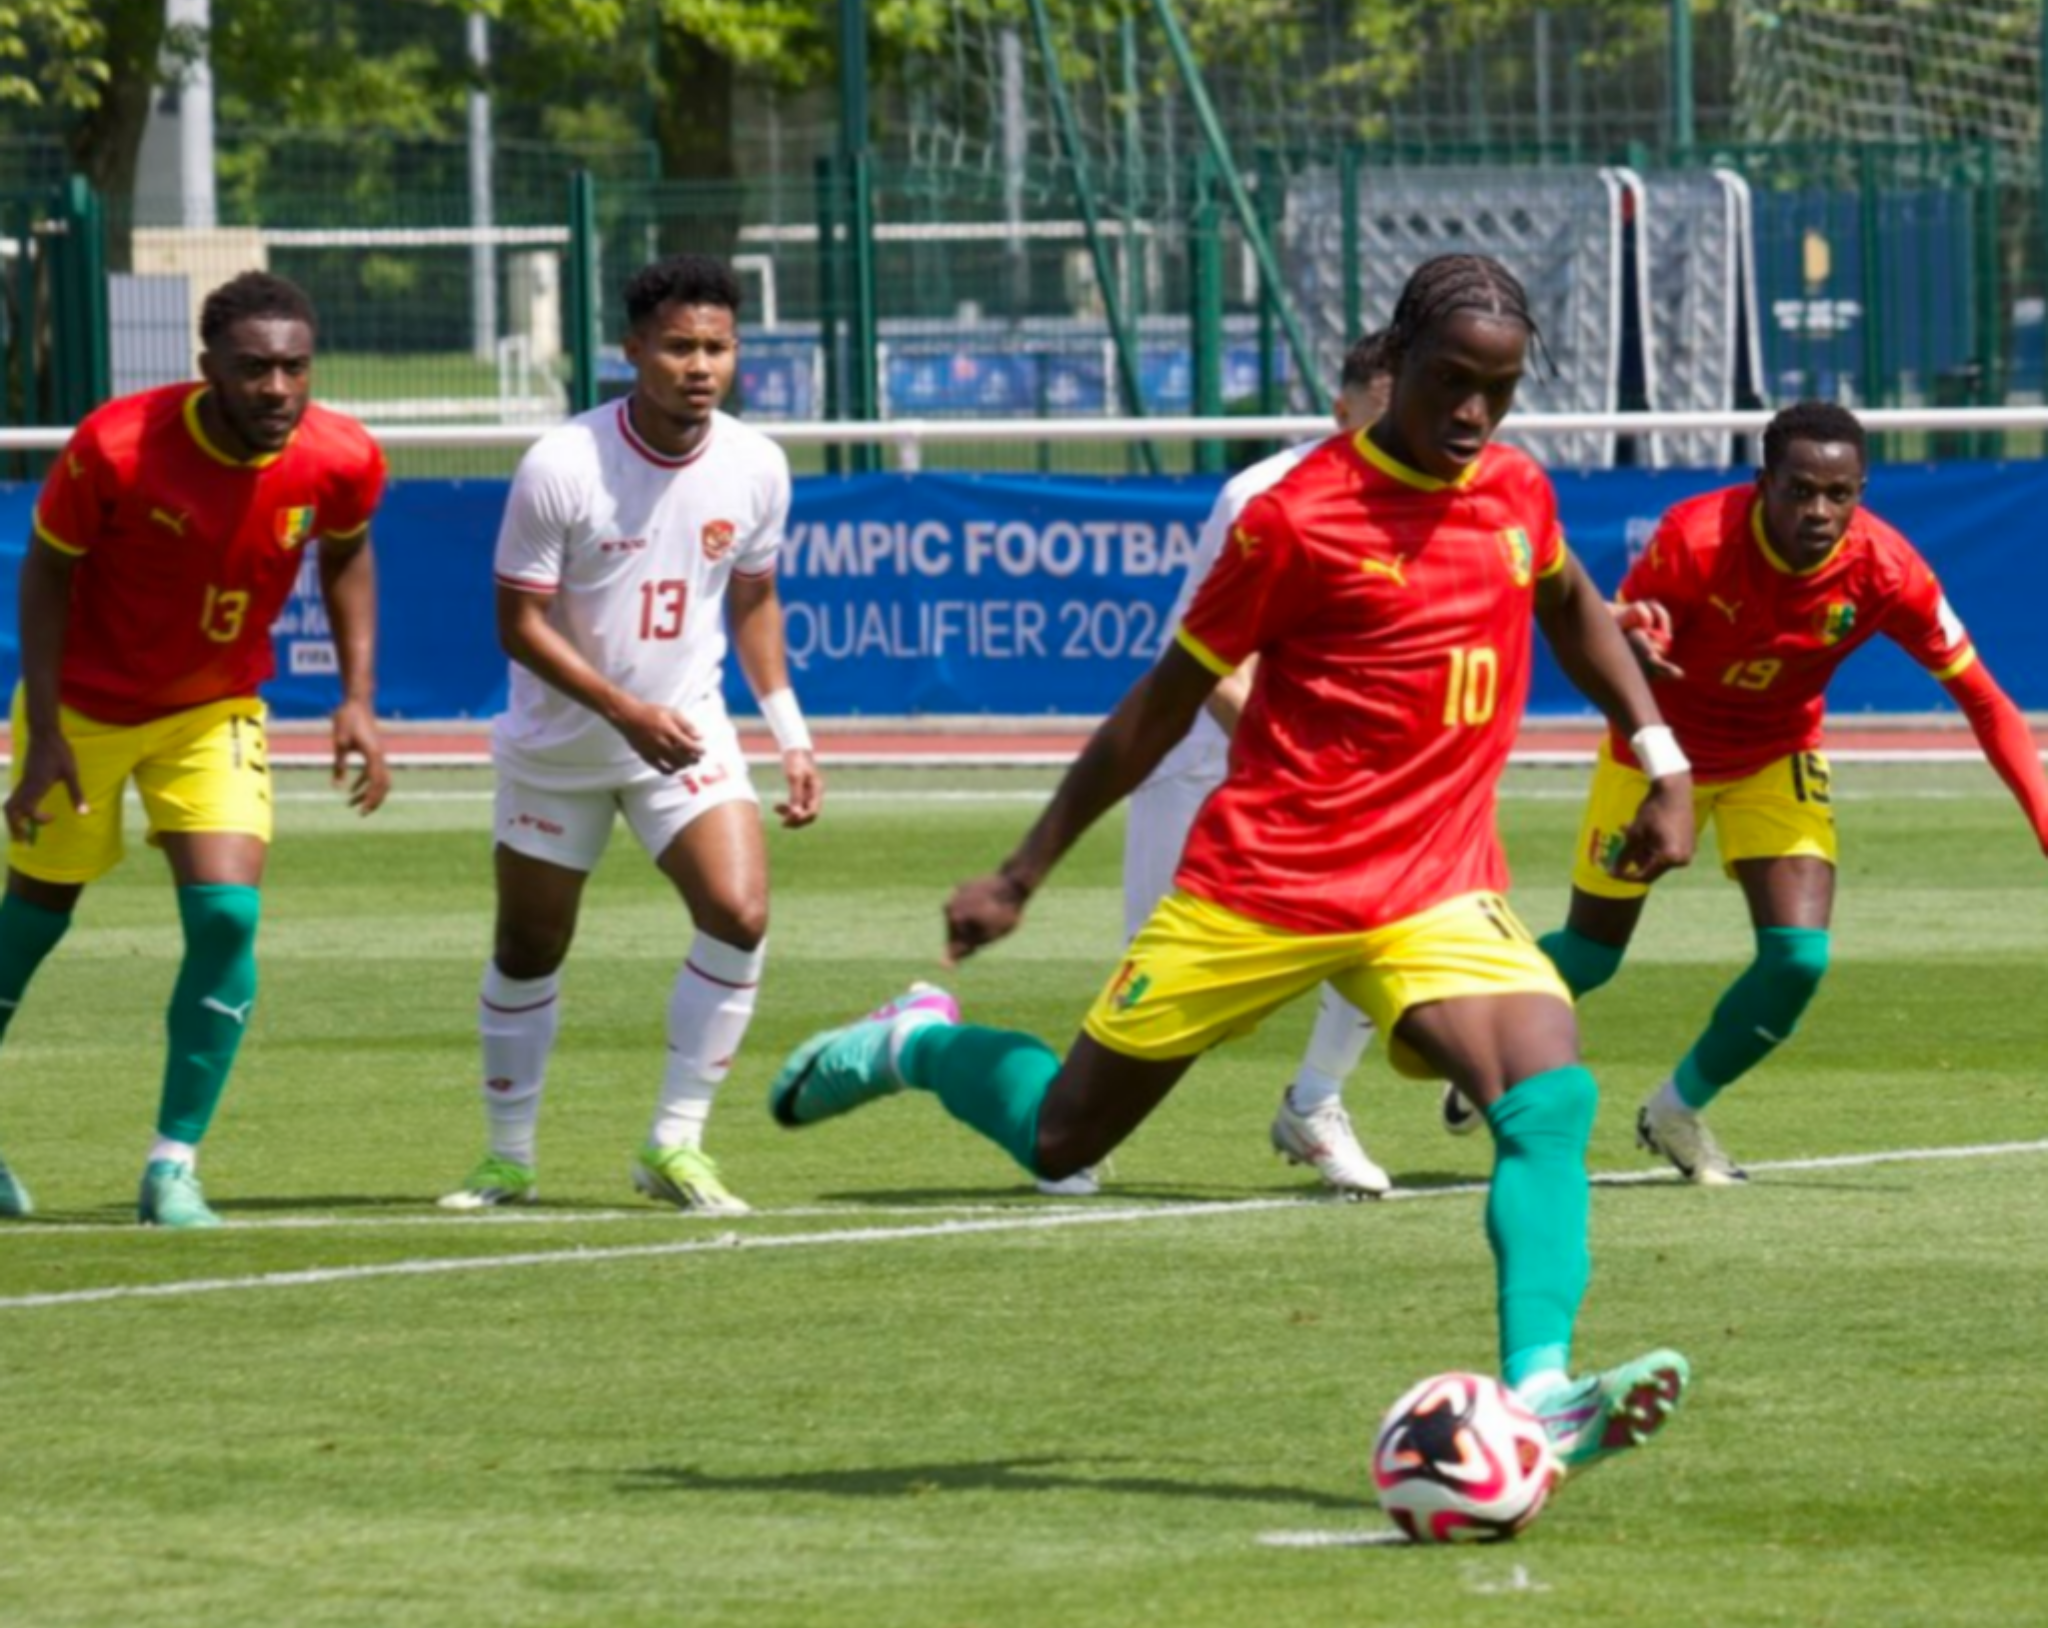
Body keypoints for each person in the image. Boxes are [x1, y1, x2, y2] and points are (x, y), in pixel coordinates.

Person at [768, 253, 1700, 1473]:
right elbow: (1160, 704)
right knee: (1062, 1140)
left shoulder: (1512, 489)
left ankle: (1539, 1392)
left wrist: (1661, 753)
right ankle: (917, 1040)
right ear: (1399, 362)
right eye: (1451, 382)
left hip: (1432, 887)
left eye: (1501, 388)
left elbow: (1569, 600)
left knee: (1549, 1092)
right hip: (1260, 884)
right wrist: (1021, 870)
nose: (1474, 413)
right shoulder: (1295, 516)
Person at [1509, 399, 2048, 1185]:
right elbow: (1613, 635)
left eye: (1841, 494)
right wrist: (1641, 643)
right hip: (1658, 759)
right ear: (1764, 483)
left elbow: (1988, 701)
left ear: (1862, 491)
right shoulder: (1696, 538)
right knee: (1591, 958)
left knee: (1798, 959)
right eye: (1800, 490)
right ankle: (1481, 1037)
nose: (1820, 511)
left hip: (1775, 754)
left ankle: (1676, 1111)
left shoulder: (1888, 570)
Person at [0, 270, 389, 1227]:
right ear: (207, 367)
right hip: (82, 711)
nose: (278, 389)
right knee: (33, 924)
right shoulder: (117, 446)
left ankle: (172, 1166)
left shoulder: (341, 456)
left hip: (214, 710)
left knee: (226, 919)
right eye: (254, 368)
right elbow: (47, 575)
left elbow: (345, 551)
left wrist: (357, 699)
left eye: (295, 367)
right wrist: (44, 732)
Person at [439, 253, 821, 1219]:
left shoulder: (757, 464)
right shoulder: (563, 464)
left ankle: (675, 1142)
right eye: (679, 347)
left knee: (738, 911)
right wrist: (624, 712)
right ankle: (508, 1160)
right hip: (561, 751)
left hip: (684, 738)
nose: (701, 366)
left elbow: (757, 598)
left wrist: (790, 732)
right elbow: (516, 625)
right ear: (633, 350)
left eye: (719, 347)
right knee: (531, 946)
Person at [1104, 332, 1395, 1200]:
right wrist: (1285, 755)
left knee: (1380, 922)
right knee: (1153, 989)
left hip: (1323, 775)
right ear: (1340, 413)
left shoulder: (1437, 497)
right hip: (1203, 758)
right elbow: (1206, 660)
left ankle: (1316, 1100)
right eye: (1379, 423)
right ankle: (1062, 1127)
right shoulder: (1261, 495)